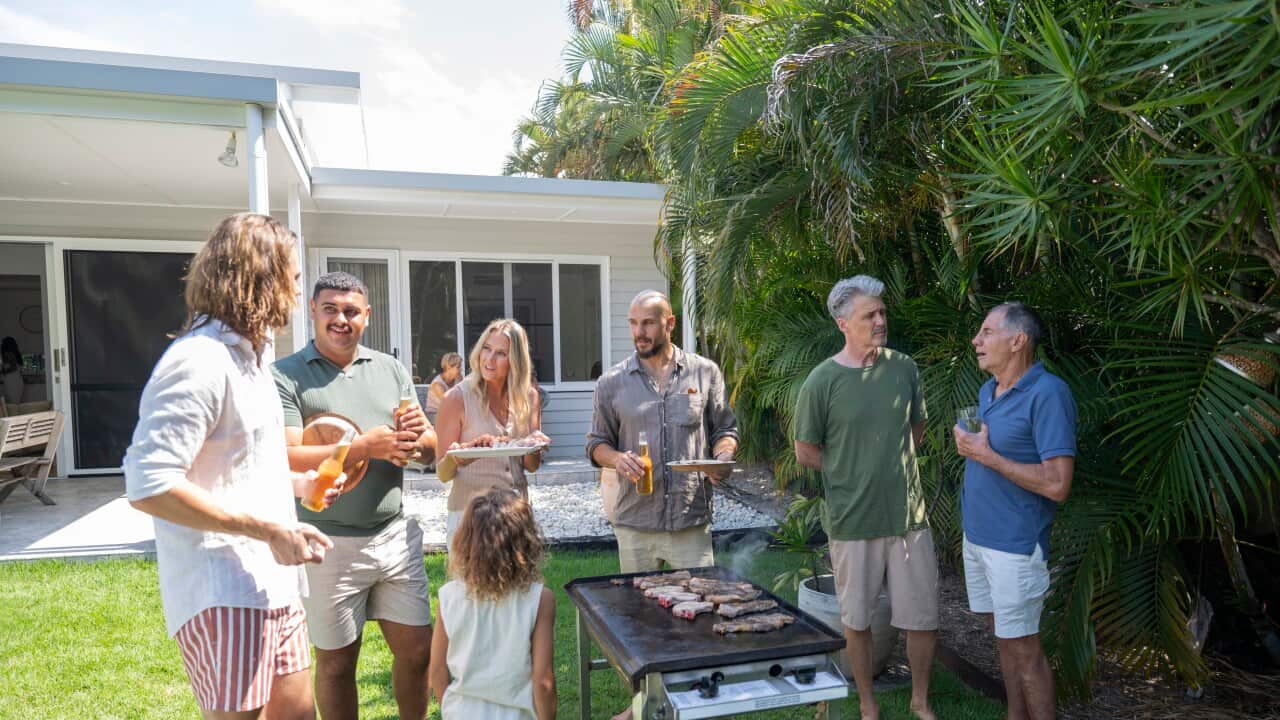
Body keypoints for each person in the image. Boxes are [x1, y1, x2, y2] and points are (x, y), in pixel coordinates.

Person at [124, 212, 341, 720]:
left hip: (274, 583)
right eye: (290, 274)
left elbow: (241, 463)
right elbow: (148, 484)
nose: (296, 287)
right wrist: (264, 528)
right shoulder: (197, 361)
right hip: (223, 590)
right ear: (259, 277)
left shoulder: (251, 359)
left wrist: (299, 483)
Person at [272, 271, 438, 720]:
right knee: (338, 662)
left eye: (350, 311)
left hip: (394, 535)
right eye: (330, 309)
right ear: (312, 311)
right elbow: (289, 457)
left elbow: (430, 443)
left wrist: (414, 446)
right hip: (327, 544)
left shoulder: (390, 369)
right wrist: (365, 446)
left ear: (367, 315)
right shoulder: (286, 376)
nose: (340, 319)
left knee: (418, 650)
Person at [793, 275, 937, 720]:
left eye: (881, 312)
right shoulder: (822, 381)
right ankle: (867, 702)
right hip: (853, 520)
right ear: (843, 324)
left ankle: (919, 699)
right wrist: (851, 471)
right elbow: (806, 451)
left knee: (923, 617)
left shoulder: (904, 368)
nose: (879, 320)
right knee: (856, 618)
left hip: (909, 518)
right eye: (868, 315)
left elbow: (917, 428)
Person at [954, 302, 1076, 720]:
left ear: (1018, 340)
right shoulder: (989, 392)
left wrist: (988, 457)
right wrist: (973, 448)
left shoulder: (1049, 394)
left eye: (987, 332)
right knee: (1004, 638)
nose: (977, 340)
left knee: (1025, 649)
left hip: (1016, 547)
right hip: (979, 538)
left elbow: (1058, 485)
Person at [586, 289, 738, 573]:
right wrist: (617, 459)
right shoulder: (611, 383)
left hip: (689, 521)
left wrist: (723, 457)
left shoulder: (705, 373)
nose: (639, 332)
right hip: (635, 524)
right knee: (637, 614)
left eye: (648, 323)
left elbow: (724, 430)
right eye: (633, 323)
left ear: (670, 323)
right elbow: (597, 444)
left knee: (699, 609)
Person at [428, 488, 557, 720]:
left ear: (466, 541)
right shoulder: (539, 599)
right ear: (525, 542)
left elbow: (436, 672)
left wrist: (450, 708)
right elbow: (543, 682)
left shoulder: (448, 596)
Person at [434, 318, 551, 549]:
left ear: (516, 360)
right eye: (486, 349)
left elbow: (531, 465)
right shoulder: (456, 398)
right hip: (470, 518)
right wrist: (468, 453)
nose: (489, 359)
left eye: (500, 353)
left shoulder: (529, 397)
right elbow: (443, 473)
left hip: (515, 512)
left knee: (520, 585)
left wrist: (535, 444)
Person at [425, 352, 463, 425]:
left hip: (449, 412)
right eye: (458, 367)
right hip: (434, 415)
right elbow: (448, 404)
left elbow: (463, 397)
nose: (461, 369)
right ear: (449, 367)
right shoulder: (437, 385)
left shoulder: (458, 378)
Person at [2, 336, 24, 404]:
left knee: (12, 404)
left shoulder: (8, 354)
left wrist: (3, 371)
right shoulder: (16, 354)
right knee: (15, 404)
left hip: (11, 382)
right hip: (18, 381)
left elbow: (13, 367)